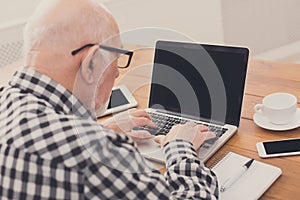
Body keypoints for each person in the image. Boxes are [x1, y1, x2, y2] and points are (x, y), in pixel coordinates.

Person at [0, 0, 219, 199]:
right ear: (92, 62)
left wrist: (101, 129)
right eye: (117, 57)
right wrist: (180, 147)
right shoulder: (90, 153)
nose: (117, 73)